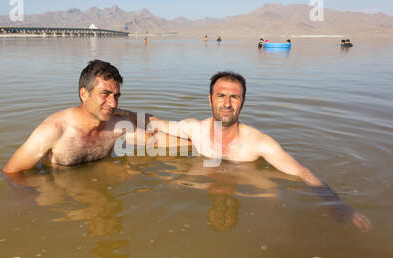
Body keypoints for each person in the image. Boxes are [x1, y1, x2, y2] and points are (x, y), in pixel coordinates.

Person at [148, 71, 373, 232]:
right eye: (220, 96)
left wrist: (336, 203)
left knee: (273, 196)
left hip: (247, 183)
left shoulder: (259, 143)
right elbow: (156, 122)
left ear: (242, 102)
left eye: (234, 97)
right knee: (170, 182)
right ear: (210, 100)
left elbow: (301, 172)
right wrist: (118, 114)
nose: (227, 103)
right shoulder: (194, 128)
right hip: (203, 175)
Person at [3, 60, 154, 174]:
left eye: (116, 96)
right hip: (60, 191)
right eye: (105, 94)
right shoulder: (54, 129)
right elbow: (11, 172)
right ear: (84, 94)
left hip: (98, 181)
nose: (113, 103)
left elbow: (155, 141)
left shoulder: (116, 125)